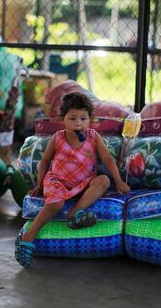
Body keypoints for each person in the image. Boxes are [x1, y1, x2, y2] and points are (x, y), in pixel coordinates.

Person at [15, 92, 130, 268]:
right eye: (72, 119)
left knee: (104, 181)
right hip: (58, 181)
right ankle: (28, 236)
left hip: (84, 182)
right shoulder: (58, 138)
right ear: (63, 120)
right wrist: (39, 184)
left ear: (90, 120)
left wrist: (119, 181)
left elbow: (107, 159)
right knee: (55, 205)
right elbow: (45, 161)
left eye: (83, 119)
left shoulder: (93, 137)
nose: (78, 124)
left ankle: (75, 213)